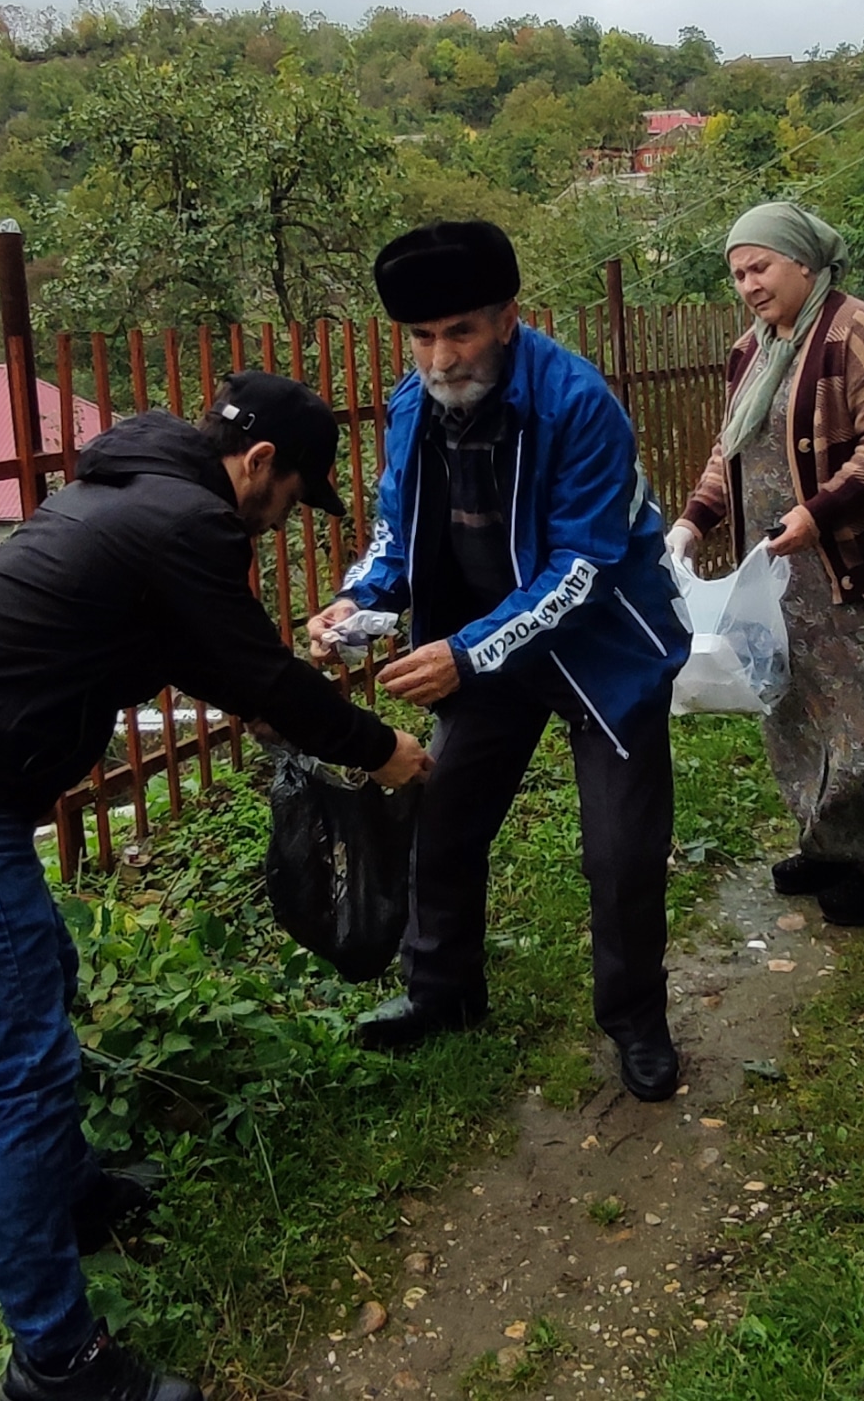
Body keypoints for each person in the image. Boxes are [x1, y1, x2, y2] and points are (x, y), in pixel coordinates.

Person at [0, 372, 430, 1401]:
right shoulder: (187, 522)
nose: (284, 516)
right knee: (18, 1069)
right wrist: (382, 750)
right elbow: (260, 671)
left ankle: (67, 1193)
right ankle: (55, 1362)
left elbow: (183, 649)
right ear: (258, 467)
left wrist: (261, 700)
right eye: (293, 496)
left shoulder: (133, 493)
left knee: (42, 971)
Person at [306, 221, 692, 1101]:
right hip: (489, 650)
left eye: (461, 332)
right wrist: (360, 605)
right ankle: (443, 994)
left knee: (622, 850)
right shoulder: (415, 406)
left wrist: (468, 653)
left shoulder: (578, 404)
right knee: (442, 819)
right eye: (422, 337)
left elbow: (583, 569)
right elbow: (396, 536)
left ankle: (637, 1021)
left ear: (507, 318)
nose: (441, 358)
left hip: (604, 650)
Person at [669, 202, 864, 926]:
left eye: (759, 267)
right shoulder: (752, 350)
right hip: (782, 575)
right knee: (794, 707)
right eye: (737, 274)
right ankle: (826, 844)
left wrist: (818, 514)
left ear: (803, 264)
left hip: (860, 566)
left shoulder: (857, 331)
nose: (748, 285)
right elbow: (732, 448)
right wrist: (695, 520)